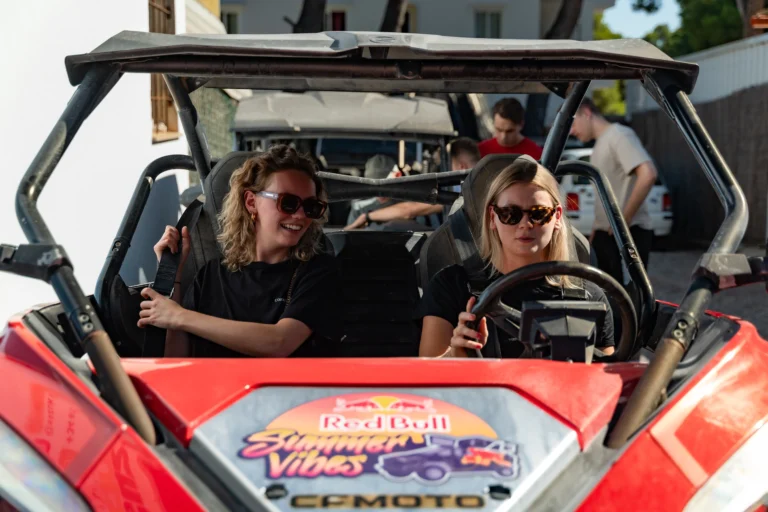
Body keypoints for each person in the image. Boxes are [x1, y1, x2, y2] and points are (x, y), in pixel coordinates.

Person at [137, 145, 342, 358]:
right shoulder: (211, 276)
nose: (301, 216)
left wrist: (180, 316)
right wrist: (173, 274)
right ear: (251, 202)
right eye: (288, 203)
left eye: (311, 207)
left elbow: (279, 342)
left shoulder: (318, 272)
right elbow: (178, 359)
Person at [418, 156, 615, 358]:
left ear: (557, 217)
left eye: (538, 214)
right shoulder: (453, 286)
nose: (525, 224)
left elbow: (608, 380)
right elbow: (425, 375)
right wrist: (456, 354)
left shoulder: (588, 297)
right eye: (510, 213)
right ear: (493, 218)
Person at [569, 97, 658, 282]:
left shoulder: (619, 135)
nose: (571, 131)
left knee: (629, 302)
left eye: (573, 122)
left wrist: (623, 221)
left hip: (627, 233)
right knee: (609, 300)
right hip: (606, 234)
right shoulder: (599, 144)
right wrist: (596, 229)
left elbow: (648, 174)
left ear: (586, 113)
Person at [343, 137, 481, 230]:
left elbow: (410, 210)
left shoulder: (467, 190)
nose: (446, 174)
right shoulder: (485, 182)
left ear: (461, 167)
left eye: (447, 167)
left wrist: (367, 217)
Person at [478, 98, 543, 160]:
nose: (503, 137)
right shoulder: (480, 151)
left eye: (509, 131)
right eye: (499, 130)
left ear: (521, 124)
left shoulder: (536, 154)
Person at [345, 154, 400, 225]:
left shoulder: (412, 203)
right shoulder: (359, 207)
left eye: (384, 181)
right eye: (373, 182)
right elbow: (348, 234)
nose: (378, 186)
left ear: (398, 175)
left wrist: (367, 217)